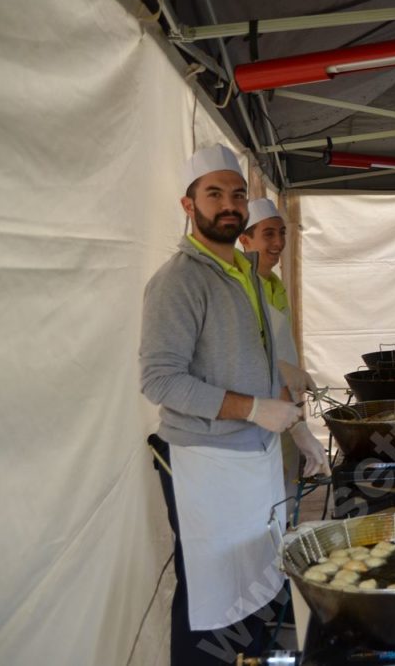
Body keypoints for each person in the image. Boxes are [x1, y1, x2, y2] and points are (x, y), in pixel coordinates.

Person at [140, 145, 303, 664]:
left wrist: (294, 423)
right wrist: (254, 410)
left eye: (237, 194)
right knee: (211, 603)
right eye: (214, 194)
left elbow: (251, 360)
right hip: (205, 464)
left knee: (253, 586)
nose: (228, 205)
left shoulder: (247, 274)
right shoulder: (178, 281)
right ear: (189, 205)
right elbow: (161, 380)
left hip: (253, 460)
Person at [238, 198, 329, 517]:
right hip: (259, 414)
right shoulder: (241, 286)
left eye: (281, 233)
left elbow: (277, 344)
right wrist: (281, 370)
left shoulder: (274, 283)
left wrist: (295, 374)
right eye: (268, 235)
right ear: (244, 239)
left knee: (287, 499)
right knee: (265, 505)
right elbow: (245, 354)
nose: (278, 243)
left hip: (287, 404)